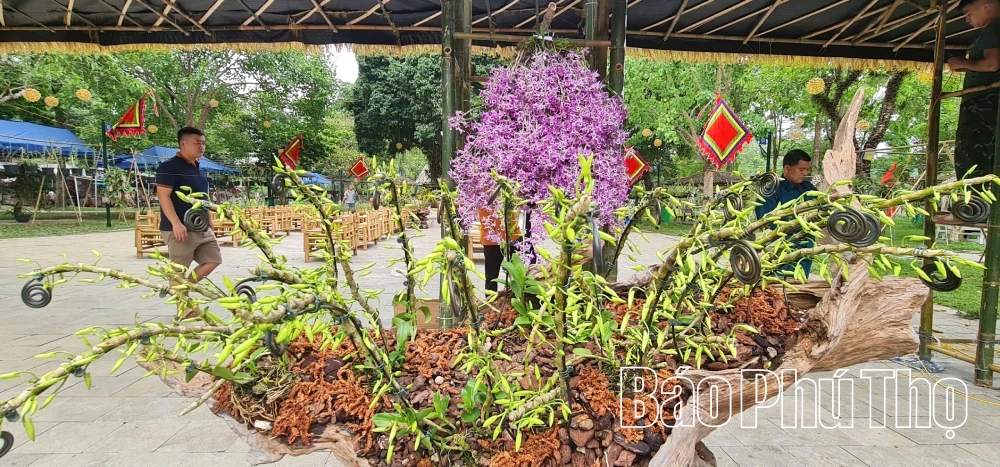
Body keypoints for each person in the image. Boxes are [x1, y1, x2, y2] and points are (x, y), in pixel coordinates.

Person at [155, 127, 222, 319]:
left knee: (214, 259)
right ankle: (182, 310)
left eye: (203, 143)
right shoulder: (168, 167)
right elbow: (163, 197)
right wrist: (176, 223)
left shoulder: (199, 169)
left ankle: (182, 289)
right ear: (183, 143)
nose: (202, 146)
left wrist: (210, 220)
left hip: (201, 227)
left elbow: (204, 199)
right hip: (179, 228)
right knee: (178, 270)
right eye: (197, 143)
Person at [948, 0, 1000, 182]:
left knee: (972, 156)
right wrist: (969, 66)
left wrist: (965, 62)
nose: (967, 19)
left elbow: (992, 64)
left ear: (986, 6)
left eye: (968, 13)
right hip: (987, 101)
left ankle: (975, 196)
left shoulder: (993, 29)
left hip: (982, 103)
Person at [754, 149, 817, 277]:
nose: (805, 173)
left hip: (806, 245)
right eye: (801, 169)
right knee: (779, 281)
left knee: (801, 281)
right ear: (787, 168)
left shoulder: (809, 188)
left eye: (807, 169)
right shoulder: (771, 191)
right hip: (782, 246)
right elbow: (767, 222)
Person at [479, 207, 522, 293]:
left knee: (518, 275)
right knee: (491, 278)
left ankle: (517, 298)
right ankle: (491, 300)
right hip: (491, 238)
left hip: (512, 235)